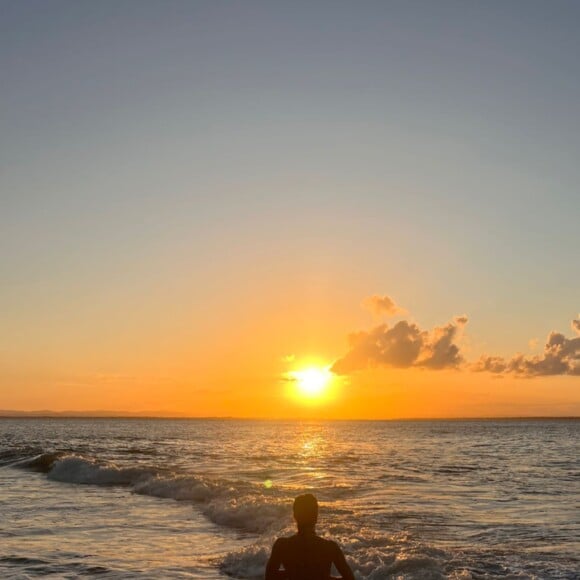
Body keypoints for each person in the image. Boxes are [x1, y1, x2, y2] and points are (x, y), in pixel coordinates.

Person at [265, 494, 355, 580]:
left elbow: (269, 577)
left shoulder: (282, 545)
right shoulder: (330, 547)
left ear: (295, 516)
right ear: (316, 517)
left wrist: (292, 573)